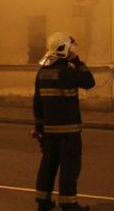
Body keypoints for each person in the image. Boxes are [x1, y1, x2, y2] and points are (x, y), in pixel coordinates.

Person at [32, 32, 95, 211]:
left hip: (49, 131)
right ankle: (69, 205)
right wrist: (78, 62)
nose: (73, 49)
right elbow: (90, 82)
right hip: (69, 132)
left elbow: (37, 101)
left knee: (48, 165)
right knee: (69, 167)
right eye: (71, 46)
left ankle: (43, 202)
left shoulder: (42, 73)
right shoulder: (67, 72)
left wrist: (38, 127)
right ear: (64, 48)